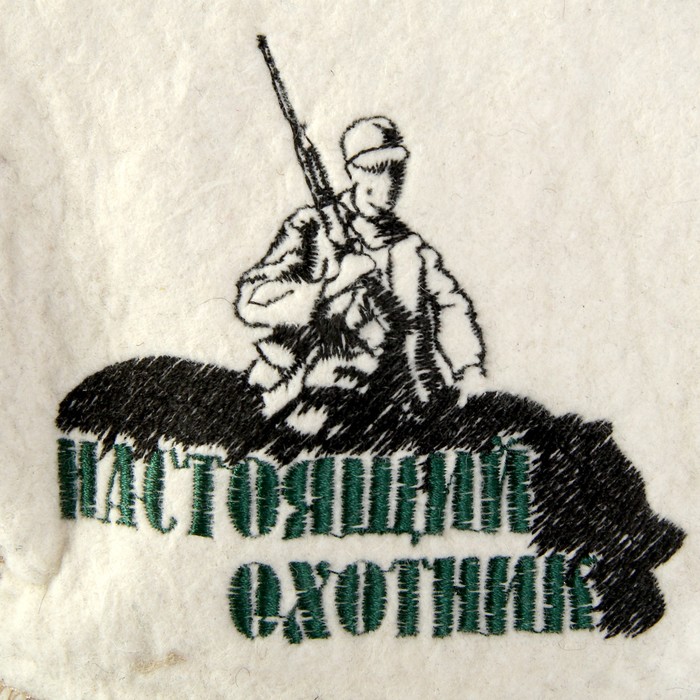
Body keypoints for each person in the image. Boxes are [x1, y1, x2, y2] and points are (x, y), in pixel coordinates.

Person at [236, 116, 485, 435]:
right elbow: (252, 302)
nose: (391, 181)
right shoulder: (313, 228)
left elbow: (450, 304)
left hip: (395, 402)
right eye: (378, 169)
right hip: (315, 394)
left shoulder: (409, 248)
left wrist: (468, 368)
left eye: (396, 169)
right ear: (354, 171)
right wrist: (333, 283)